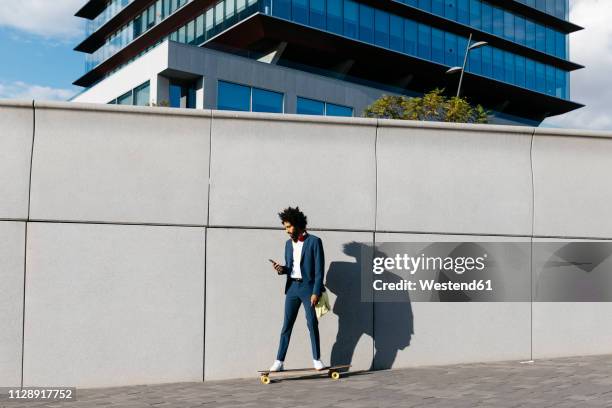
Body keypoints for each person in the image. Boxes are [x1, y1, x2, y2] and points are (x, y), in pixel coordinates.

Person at [269, 206, 326, 371]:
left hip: (308, 289)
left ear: (298, 224)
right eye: (285, 227)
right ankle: (279, 361)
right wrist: (282, 269)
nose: (286, 230)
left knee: (312, 323)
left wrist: (316, 292)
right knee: (287, 325)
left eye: (288, 226)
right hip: (292, 288)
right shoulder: (288, 244)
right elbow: (291, 268)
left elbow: (319, 271)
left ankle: (316, 359)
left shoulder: (315, 241)